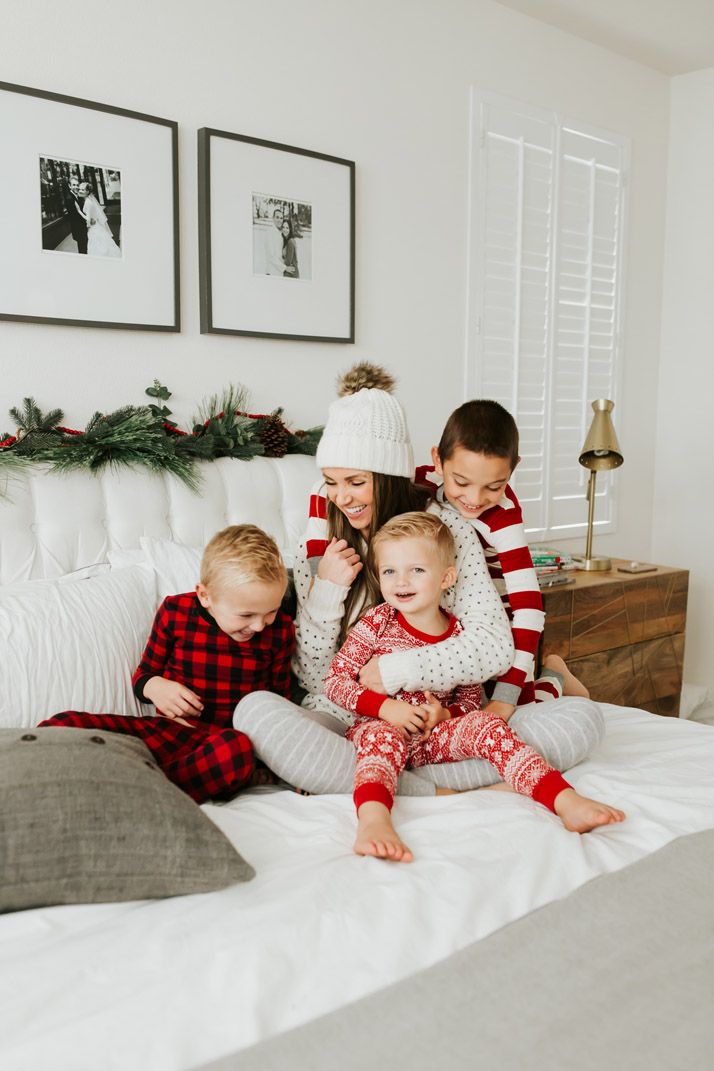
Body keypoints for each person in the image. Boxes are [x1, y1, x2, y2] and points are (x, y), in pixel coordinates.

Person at [234, 363, 605, 796]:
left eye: (356, 482)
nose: (343, 497)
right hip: (345, 716)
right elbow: (315, 677)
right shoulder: (319, 544)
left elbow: (493, 644)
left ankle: (379, 779)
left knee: (582, 722)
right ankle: (434, 789)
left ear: (389, 478)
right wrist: (327, 593)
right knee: (254, 713)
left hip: (433, 716)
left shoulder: (446, 533)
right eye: (332, 483)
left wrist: (402, 672)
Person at [325, 512, 624, 861]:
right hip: (379, 730)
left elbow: (469, 701)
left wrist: (445, 714)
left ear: (446, 577)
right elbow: (336, 682)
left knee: (487, 723)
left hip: (432, 740)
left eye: (416, 570)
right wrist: (386, 708)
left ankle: (562, 798)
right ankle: (374, 821)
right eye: (390, 571)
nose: (401, 581)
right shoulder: (377, 622)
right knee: (383, 737)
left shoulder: (460, 637)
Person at [39, 525, 294, 803]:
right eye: (246, 615)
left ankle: (141, 795)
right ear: (205, 596)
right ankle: (50, 767)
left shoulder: (280, 630)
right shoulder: (176, 612)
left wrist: (284, 767)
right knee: (65, 723)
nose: (259, 625)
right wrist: (156, 687)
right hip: (168, 730)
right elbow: (143, 677)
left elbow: (279, 706)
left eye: (271, 611)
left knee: (236, 751)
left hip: (221, 745)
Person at [414, 398, 590, 720]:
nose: (474, 499)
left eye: (494, 486)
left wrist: (506, 697)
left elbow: (530, 609)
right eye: (461, 483)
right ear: (437, 461)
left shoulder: (503, 519)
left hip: (502, 629)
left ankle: (556, 678)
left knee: (519, 712)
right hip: (449, 619)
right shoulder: (420, 483)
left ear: (513, 468)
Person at [78, 182, 121, 258]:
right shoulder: (89, 200)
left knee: (96, 247)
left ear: (87, 192)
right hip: (97, 225)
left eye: (82, 190)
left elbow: (88, 220)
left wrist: (79, 212)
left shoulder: (88, 202)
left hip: (93, 228)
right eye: (80, 189)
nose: (80, 191)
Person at [64, 176, 88, 254]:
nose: (76, 187)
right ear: (69, 186)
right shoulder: (69, 198)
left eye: (77, 185)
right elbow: (75, 216)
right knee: (82, 248)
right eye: (74, 185)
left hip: (81, 227)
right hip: (78, 227)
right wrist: (87, 219)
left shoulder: (76, 194)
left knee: (84, 246)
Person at [264, 207, 287, 276]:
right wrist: (285, 268)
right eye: (277, 217)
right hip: (272, 271)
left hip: (278, 271)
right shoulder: (269, 233)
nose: (279, 220)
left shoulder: (279, 233)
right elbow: (271, 256)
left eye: (281, 218)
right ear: (273, 218)